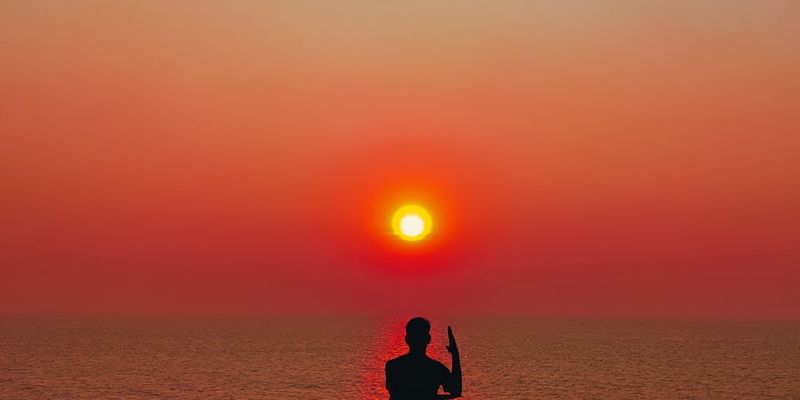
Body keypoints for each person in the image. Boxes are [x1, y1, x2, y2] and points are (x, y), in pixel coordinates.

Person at [385, 317, 462, 399]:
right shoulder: (436, 369)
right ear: (428, 339)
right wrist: (455, 355)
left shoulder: (394, 366)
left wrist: (455, 355)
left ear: (407, 339)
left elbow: (400, 393)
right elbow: (456, 391)